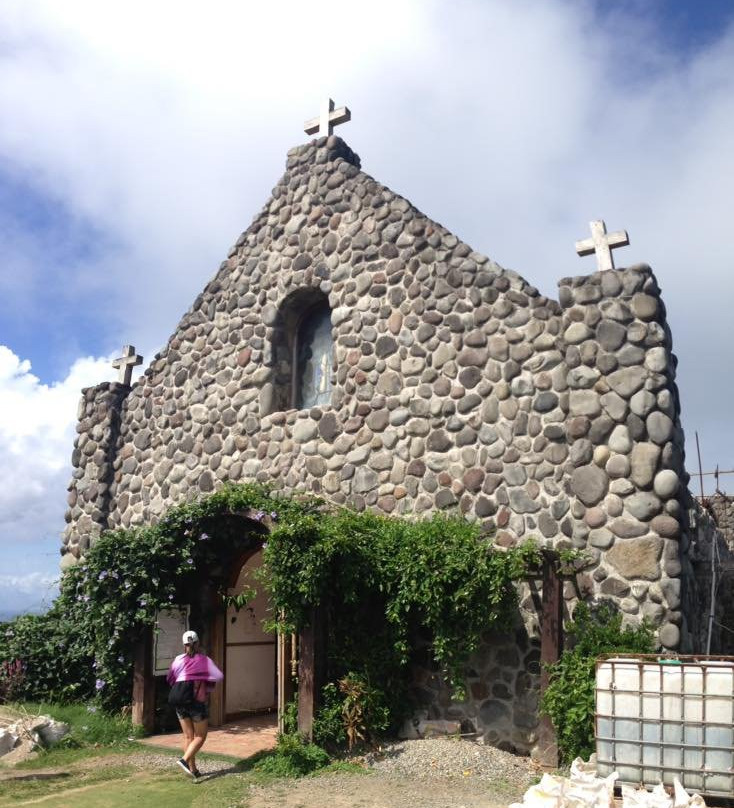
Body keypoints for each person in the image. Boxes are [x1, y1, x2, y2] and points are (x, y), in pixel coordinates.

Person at [166, 629, 224, 778]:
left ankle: (193, 770)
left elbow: (170, 678)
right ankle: (184, 760)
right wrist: (204, 679)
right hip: (196, 703)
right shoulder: (204, 660)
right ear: (197, 643)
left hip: (180, 701)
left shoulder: (178, 660)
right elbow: (218, 676)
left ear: (184, 645)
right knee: (200, 736)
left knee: (188, 737)